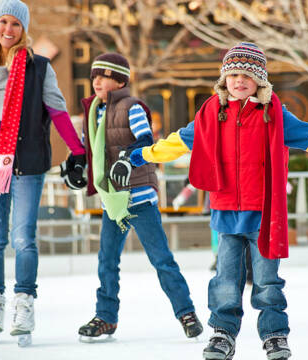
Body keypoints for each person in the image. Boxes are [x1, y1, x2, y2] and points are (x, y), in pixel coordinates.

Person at [120, 42, 308, 360]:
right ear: (224, 79)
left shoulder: (274, 114)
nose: (239, 81)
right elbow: (178, 141)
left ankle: (274, 335)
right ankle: (223, 333)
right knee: (225, 279)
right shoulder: (212, 114)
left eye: (247, 75)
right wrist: (146, 153)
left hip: (264, 213)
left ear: (260, 81)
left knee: (267, 280)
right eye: (233, 74)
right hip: (226, 210)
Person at [77, 52, 203, 342]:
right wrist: (76, 163)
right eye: (94, 76)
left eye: (103, 76)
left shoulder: (131, 107)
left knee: (161, 259)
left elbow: (146, 140)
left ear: (120, 80)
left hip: (140, 197)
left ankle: (186, 313)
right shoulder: (94, 110)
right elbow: (92, 151)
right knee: (107, 260)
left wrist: (127, 158)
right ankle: (106, 318)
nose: (96, 81)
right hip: (114, 200)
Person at [0, 0, 86, 346]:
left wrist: (78, 150)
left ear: (23, 29)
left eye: (15, 24)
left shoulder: (38, 67)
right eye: (3, 23)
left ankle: (24, 302)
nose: (8, 30)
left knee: (23, 238)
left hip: (26, 162)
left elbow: (58, 111)